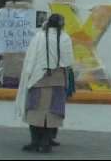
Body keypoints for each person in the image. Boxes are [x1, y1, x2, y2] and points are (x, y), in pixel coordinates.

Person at [15, 13, 75, 153]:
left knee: (35, 111)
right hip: (58, 80)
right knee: (53, 113)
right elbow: (68, 62)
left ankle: (35, 142)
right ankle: (46, 143)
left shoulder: (39, 36)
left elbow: (30, 58)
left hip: (38, 78)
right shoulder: (65, 38)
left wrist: (27, 76)